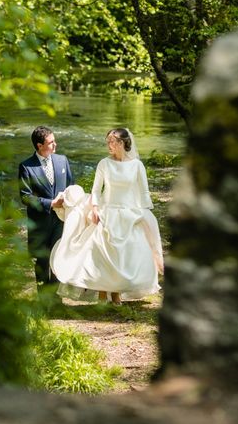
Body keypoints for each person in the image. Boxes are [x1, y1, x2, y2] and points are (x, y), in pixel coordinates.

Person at [51, 128, 163, 304]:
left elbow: (144, 192)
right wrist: (95, 208)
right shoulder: (104, 163)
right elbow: (96, 189)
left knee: (125, 253)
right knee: (101, 250)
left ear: (122, 143)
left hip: (129, 212)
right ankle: (103, 293)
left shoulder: (137, 166)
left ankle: (116, 292)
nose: (109, 145)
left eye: (112, 141)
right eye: (108, 142)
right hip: (107, 210)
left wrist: (143, 213)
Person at [19, 126, 74, 290]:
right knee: (42, 261)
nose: (55, 145)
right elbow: (25, 197)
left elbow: (71, 186)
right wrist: (50, 203)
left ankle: (57, 301)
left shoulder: (62, 160)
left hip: (61, 220)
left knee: (59, 258)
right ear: (39, 145)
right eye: (51, 143)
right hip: (39, 223)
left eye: (54, 141)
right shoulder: (26, 167)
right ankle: (43, 303)